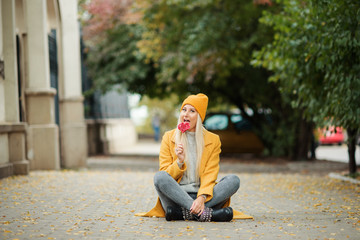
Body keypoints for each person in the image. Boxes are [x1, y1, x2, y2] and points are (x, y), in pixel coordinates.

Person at [135, 93, 252, 222]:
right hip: (176, 197)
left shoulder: (213, 140)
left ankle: (182, 214)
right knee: (159, 177)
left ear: (199, 116)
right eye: (184, 110)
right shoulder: (169, 137)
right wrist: (179, 162)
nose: (186, 114)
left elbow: (210, 173)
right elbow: (165, 174)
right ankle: (208, 214)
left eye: (192, 111)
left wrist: (201, 198)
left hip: (204, 197)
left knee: (233, 180)